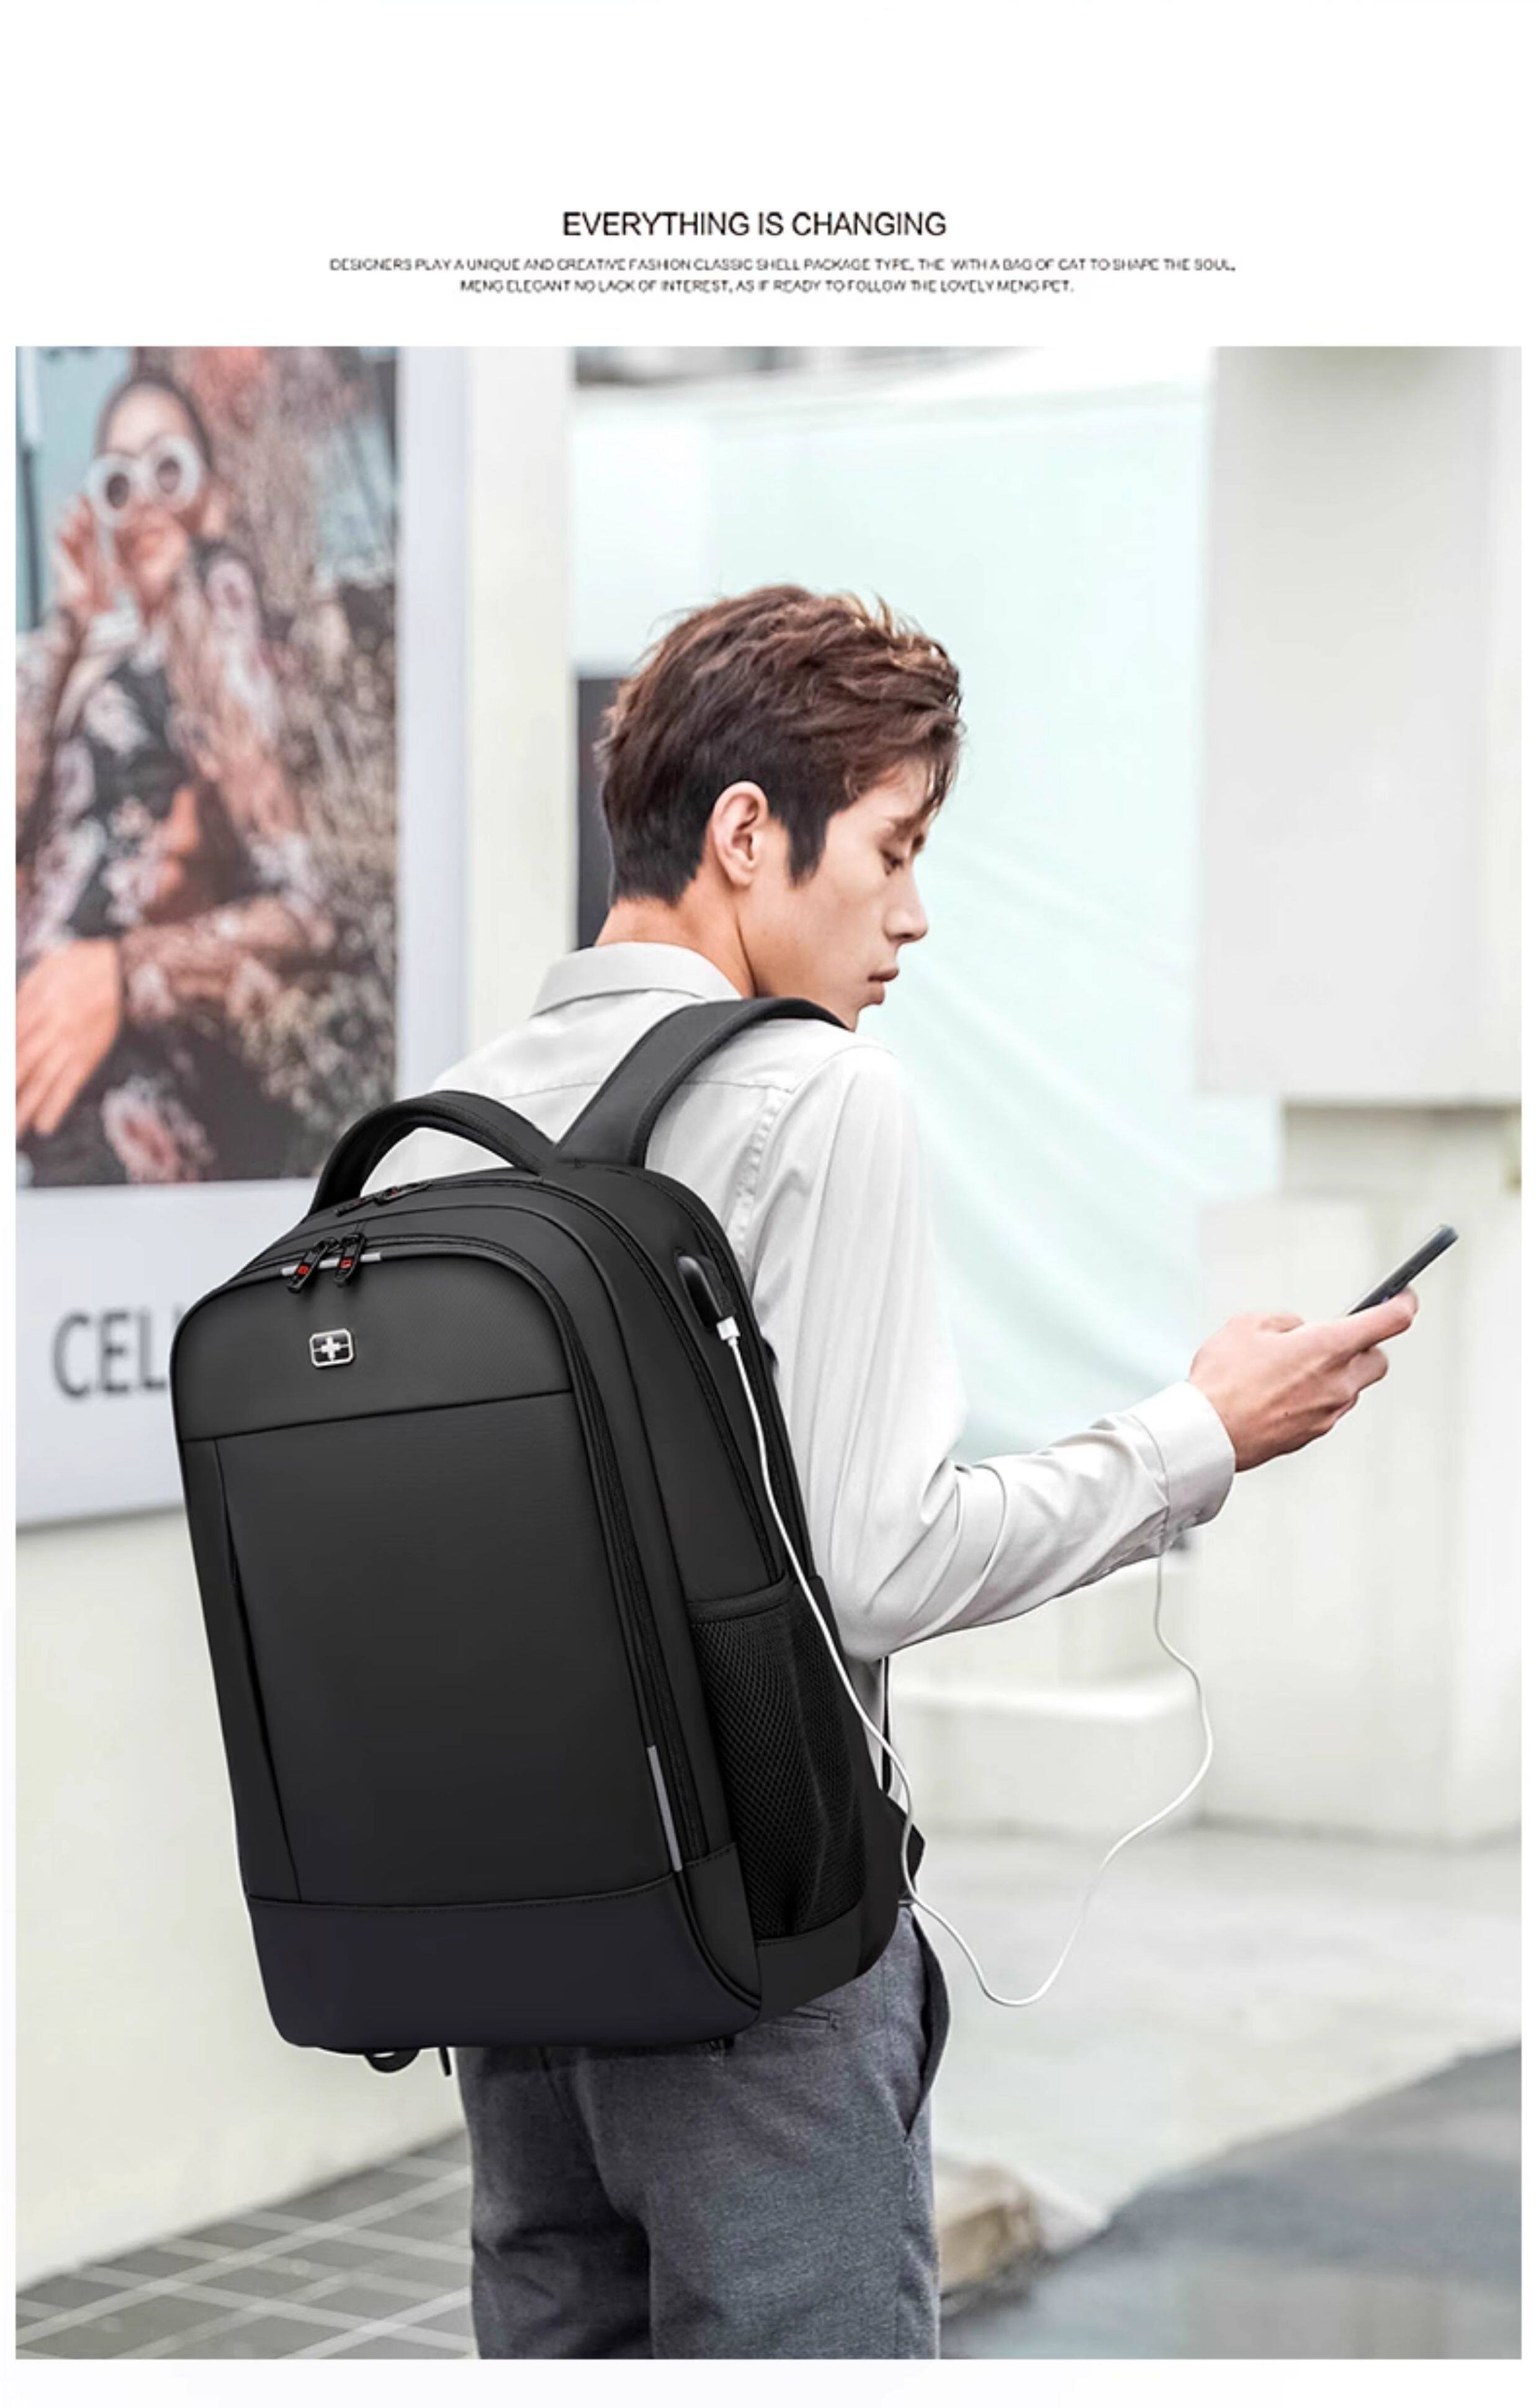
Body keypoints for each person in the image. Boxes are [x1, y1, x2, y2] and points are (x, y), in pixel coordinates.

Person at [368, 583, 1418, 2360]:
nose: (914, 914)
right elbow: (878, 1561)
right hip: (753, 1951)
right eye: (895, 847)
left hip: (512, 1956)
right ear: (747, 833)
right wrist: (1196, 1437)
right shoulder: (814, 1091)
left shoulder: (439, 1134)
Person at [15, 369, 337, 1184]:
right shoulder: (87, 669)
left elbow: (306, 909)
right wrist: (72, 618)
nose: (146, 502)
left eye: (170, 467)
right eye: (121, 481)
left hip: (129, 1098)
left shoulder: (243, 662)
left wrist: (123, 972)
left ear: (213, 494)